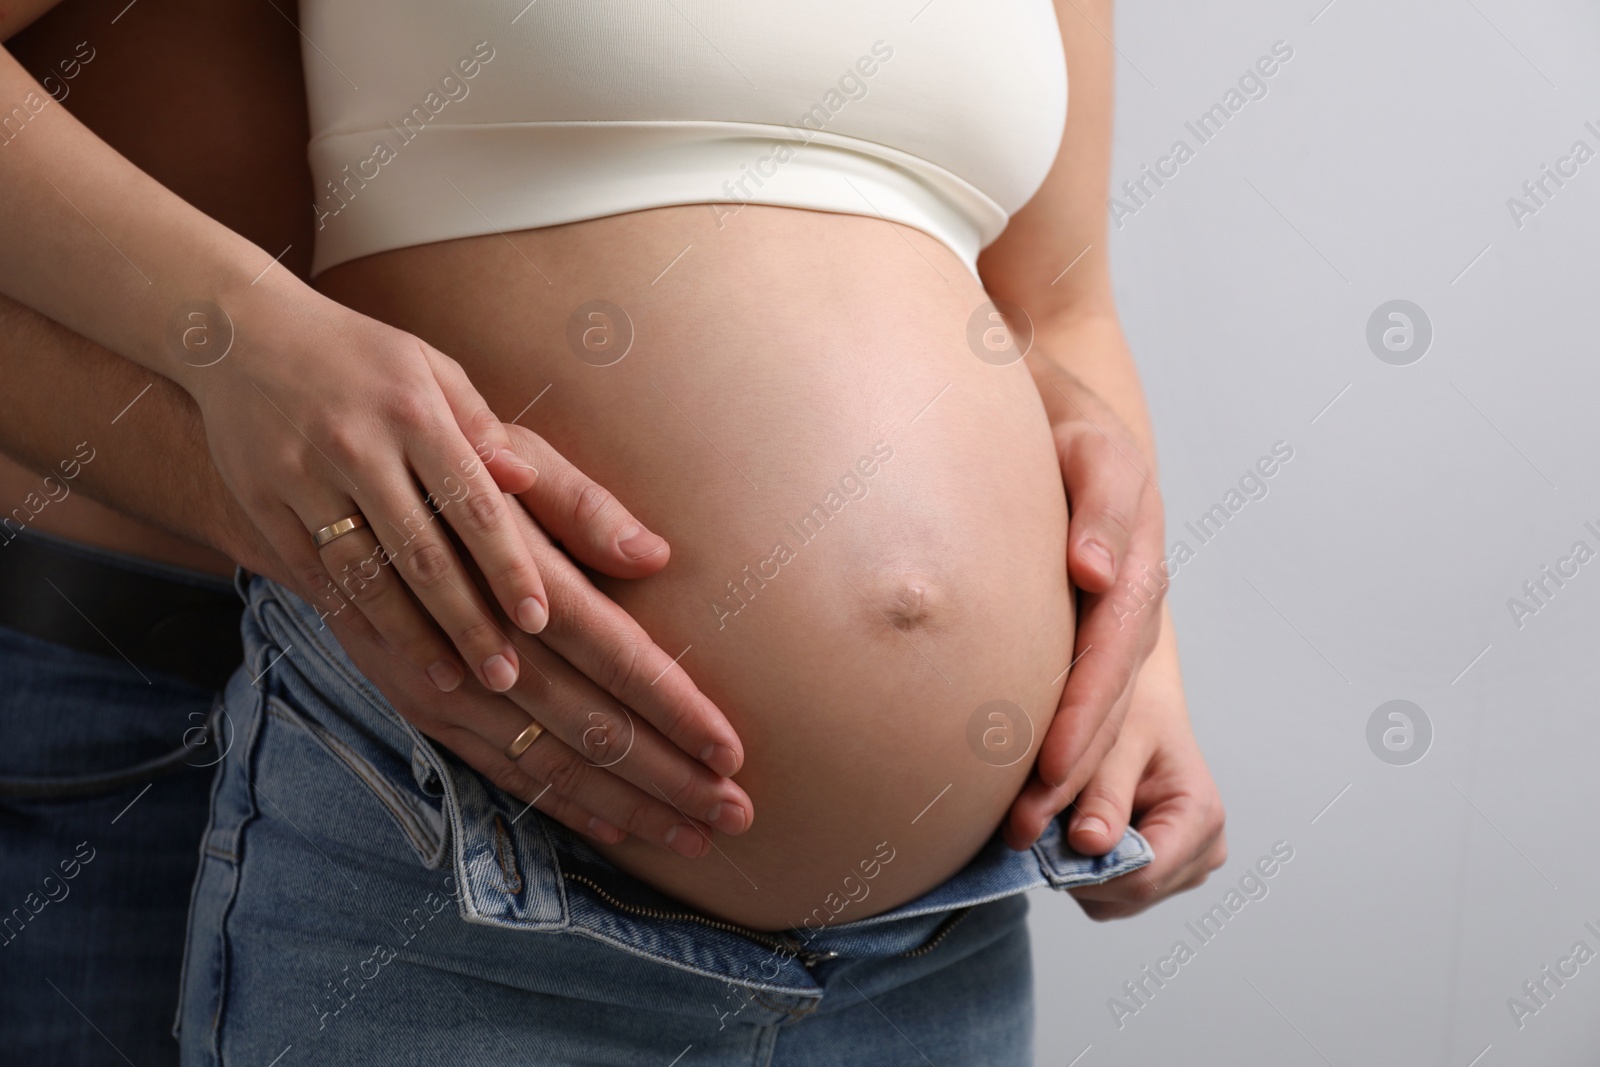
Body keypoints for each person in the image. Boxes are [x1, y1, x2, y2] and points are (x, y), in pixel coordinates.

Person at [0, 0, 1222, 1063]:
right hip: (457, 857)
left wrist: (1141, 656)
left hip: (937, 928)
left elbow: (1057, 305)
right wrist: (242, 341)